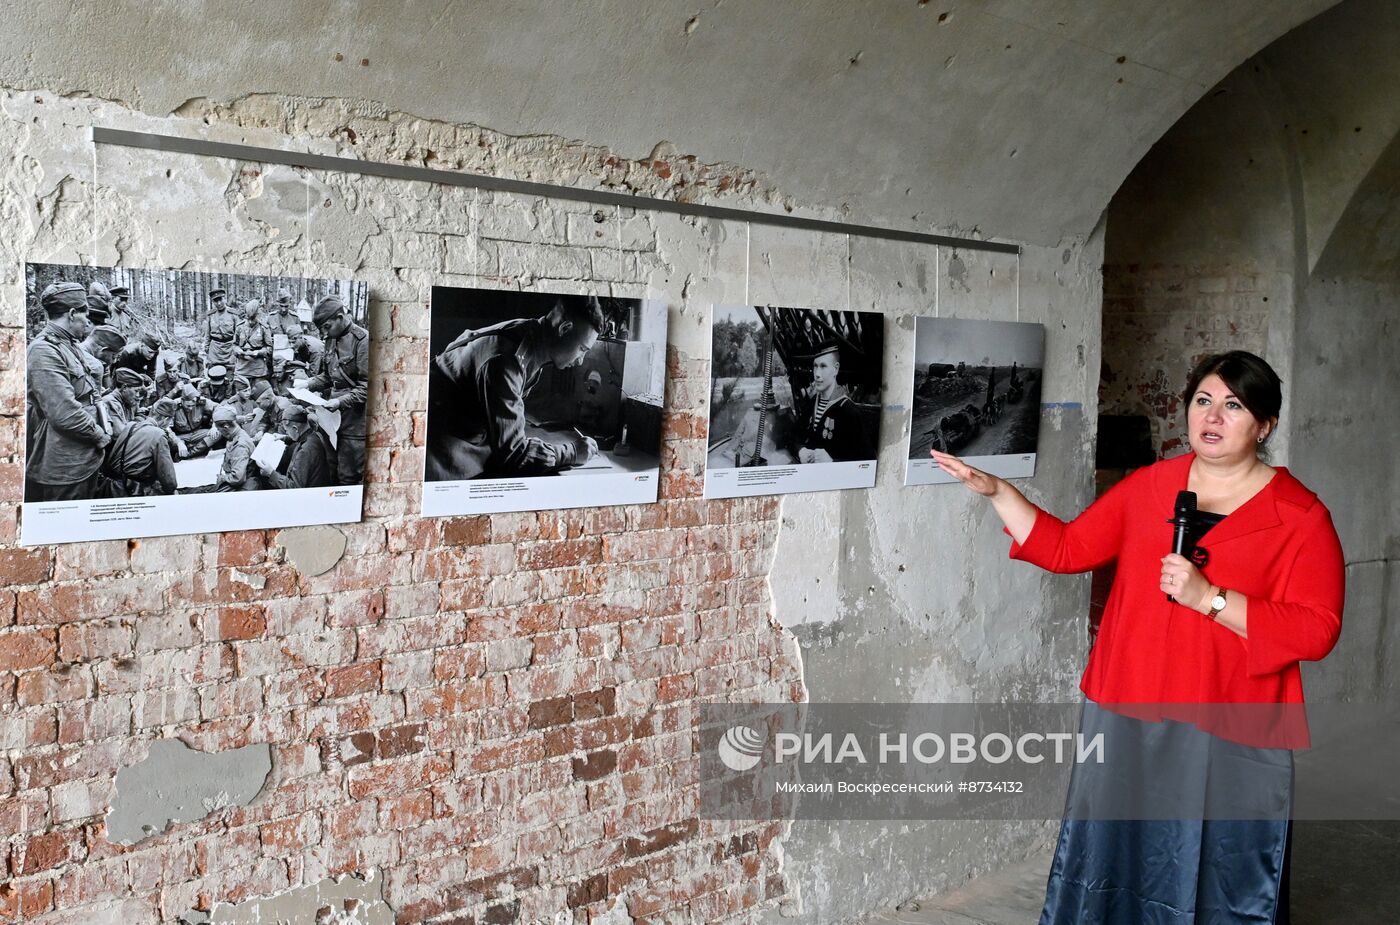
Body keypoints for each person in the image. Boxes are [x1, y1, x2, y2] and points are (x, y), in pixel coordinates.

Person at [932, 350, 1344, 924]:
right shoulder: (1151, 486)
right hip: (1131, 700)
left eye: (1233, 405)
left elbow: (1318, 628)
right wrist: (1000, 492)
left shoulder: (1300, 514)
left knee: (1222, 865)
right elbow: (1068, 548)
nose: (1214, 417)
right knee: (1119, 852)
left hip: (1232, 715)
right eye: (1203, 401)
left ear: (1265, 424)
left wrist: (1211, 599)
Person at [424, 295, 603, 481]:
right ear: (564, 328)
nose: (581, 360)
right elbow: (514, 455)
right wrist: (572, 452)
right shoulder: (507, 360)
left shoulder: (527, 333)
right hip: (441, 458)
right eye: (582, 349)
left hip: (463, 442)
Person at [25, 282, 111, 501]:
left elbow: (89, 389)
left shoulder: (67, 343)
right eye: (85, 315)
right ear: (72, 314)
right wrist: (99, 435)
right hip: (66, 464)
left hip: (83, 456)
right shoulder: (44, 349)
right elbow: (64, 412)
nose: (87, 323)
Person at [301, 295, 369, 485]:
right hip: (331, 418)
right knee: (331, 467)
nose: (324, 333)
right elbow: (328, 377)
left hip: (354, 419)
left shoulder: (362, 341)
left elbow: (367, 387)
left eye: (327, 327)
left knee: (348, 475)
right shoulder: (331, 339)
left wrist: (339, 401)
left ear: (340, 317)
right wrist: (307, 384)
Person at [792, 341, 875, 463]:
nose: (817, 374)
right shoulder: (813, 402)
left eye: (823, 366)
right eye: (815, 366)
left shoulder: (849, 411)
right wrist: (801, 450)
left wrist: (832, 462)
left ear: (836, 369)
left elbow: (867, 462)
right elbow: (795, 434)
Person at [102, 397, 179, 496]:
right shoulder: (158, 434)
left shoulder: (131, 425)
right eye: (170, 420)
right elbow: (169, 480)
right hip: (131, 489)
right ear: (165, 419)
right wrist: (172, 489)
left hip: (111, 485)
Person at [255, 404, 336, 490]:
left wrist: (271, 473)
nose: (287, 433)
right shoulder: (315, 434)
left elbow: (295, 487)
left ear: (295, 429)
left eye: (287, 431)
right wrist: (285, 437)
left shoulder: (305, 451)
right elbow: (301, 436)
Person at [189, 403, 257, 491]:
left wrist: (222, 478)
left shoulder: (240, 445)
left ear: (226, 427)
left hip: (239, 483)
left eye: (218, 429)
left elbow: (237, 478)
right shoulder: (236, 435)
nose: (219, 432)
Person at [233, 298, 274, 394]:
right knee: (241, 395)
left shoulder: (264, 328)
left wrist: (258, 352)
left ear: (258, 315)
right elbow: (234, 344)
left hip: (258, 369)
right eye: (249, 318)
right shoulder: (240, 327)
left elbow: (269, 348)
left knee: (260, 395)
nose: (251, 322)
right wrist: (238, 350)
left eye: (253, 318)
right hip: (242, 368)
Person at [204, 287, 238, 369]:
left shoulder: (233, 314)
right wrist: (206, 347)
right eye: (216, 301)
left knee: (230, 371)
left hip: (229, 348)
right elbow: (207, 333)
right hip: (214, 349)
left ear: (225, 299)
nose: (219, 303)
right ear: (213, 302)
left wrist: (236, 348)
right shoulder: (210, 315)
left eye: (220, 300)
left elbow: (237, 334)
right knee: (214, 372)